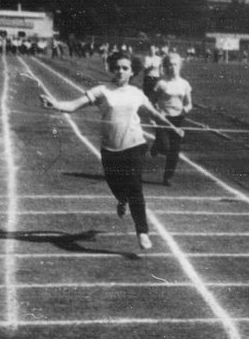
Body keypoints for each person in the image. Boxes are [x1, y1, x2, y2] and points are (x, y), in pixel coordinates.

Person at [39, 50, 184, 251]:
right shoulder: (102, 91)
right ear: (111, 69)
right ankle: (121, 199)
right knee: (115, 185)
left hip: (135, 145)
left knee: (135, 188)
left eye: (125, 68)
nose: (120, 72)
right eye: (116, 68)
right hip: (110, 148)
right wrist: (55, 104)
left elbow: (155, 115)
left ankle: (142, 232)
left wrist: (173, 128)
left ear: (132, 71)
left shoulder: (137, 94)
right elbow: (73, 106)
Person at [150, 52, 193, 186]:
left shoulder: (184, 84)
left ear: (180, 66)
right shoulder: (162, 83)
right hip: (163, 118)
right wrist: (154, 115)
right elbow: (151, 100)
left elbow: (189, 103)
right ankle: (158, 144)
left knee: (174, 150)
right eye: (170, 65)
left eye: (175, 64)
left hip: (177, 119)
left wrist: (185, 110)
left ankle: (167, 177)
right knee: (165, 147)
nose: (173, 67)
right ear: (166, 67)